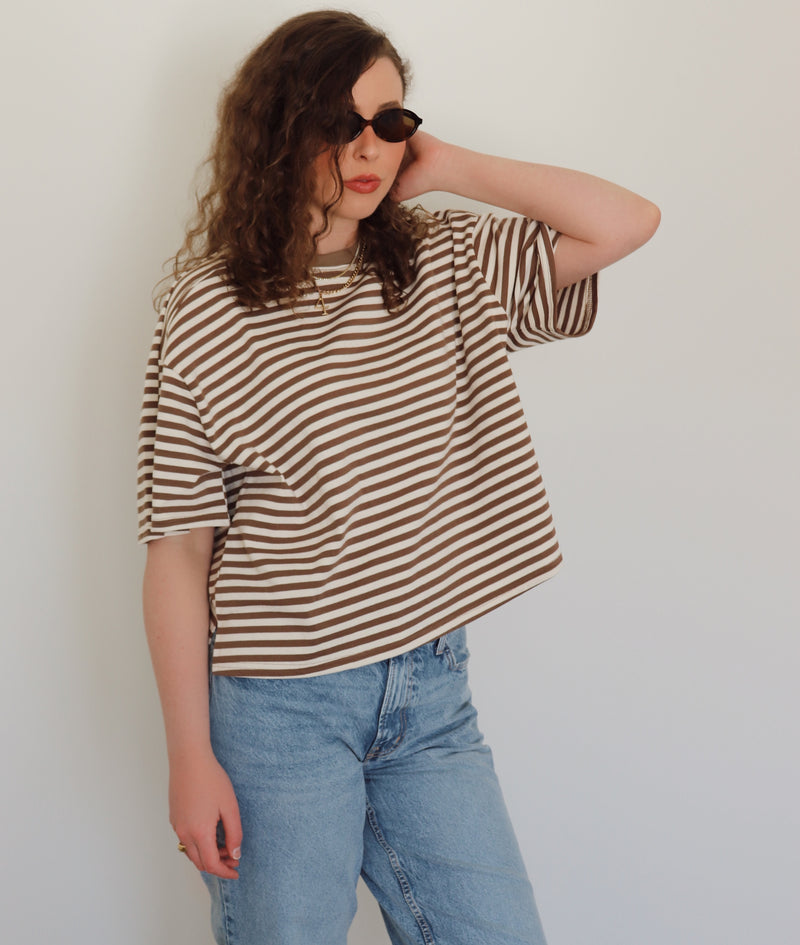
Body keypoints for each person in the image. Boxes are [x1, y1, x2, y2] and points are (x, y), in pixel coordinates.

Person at [139, 9, 659, 945]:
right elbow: (179, 549)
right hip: (280, 709)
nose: (370, 147)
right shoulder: (208, 305)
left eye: (391, 122)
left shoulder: (440, 260)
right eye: (341, 123)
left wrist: (450, 164)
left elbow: (627, 222)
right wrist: (190, 756)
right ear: (279, 128)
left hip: (429, 690)